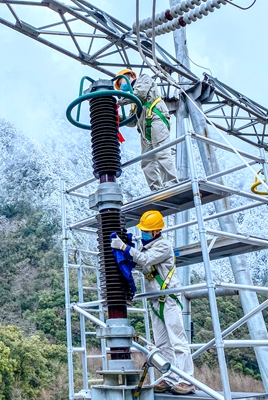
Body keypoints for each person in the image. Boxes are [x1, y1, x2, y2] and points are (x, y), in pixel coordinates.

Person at [110, 210, 195, 395]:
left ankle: (187, 380)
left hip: (169, 299)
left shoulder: (163, 246)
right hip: (155, 301)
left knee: (178, 342)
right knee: (163, 344)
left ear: (157, 231)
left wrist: (124, 248)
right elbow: (140, 262)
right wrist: (127, 254)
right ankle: (170, 378)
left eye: (147, 231)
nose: (144, 234)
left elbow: (145, 260)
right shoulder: (145, 247)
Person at [115, 69, 179, 191]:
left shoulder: (144, 79)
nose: (121, 86)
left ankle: (171, 184)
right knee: (146, 161)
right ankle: (156, 189)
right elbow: (132, 121)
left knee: (161, 152)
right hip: (145, 131)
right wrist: (118, 117)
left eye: (121, 81)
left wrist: (118, 102)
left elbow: (140, 94)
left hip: (156, 120)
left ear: (129, 76)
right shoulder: (133, 101)